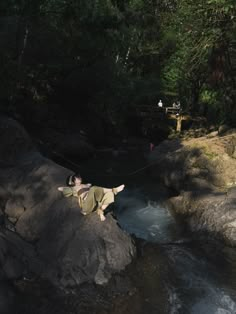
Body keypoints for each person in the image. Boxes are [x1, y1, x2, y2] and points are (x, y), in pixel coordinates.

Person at [58, 174, 125, 221]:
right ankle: (114, 190)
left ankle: (100, 211)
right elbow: (60, 188)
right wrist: (68, 186)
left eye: (79, 176)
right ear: (73, 181)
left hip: (94, 203)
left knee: (110, 194)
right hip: (86, 205)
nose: (79, 177)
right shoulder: (74, 188)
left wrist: (86, 185)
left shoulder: (86, 185)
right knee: (93, 188)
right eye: (77, 177)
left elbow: (90, 184)